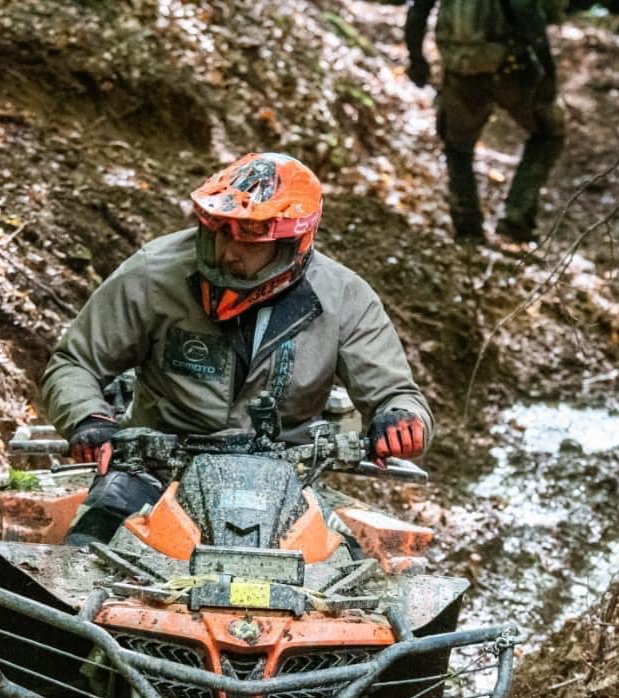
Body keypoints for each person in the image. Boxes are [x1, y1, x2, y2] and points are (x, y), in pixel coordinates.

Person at [40, 152, 434, 546]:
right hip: (154, 472)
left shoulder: (345, 297)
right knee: (86, 552)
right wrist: (88, 418)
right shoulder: (153, 274)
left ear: (291, 243)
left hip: (288, 482)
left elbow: (397, 393)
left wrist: (400, 419)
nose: (227, 251)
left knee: (352, 573)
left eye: (248, 239)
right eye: (219, 232)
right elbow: (75, 363)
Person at [405, 0, 566, 244]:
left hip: (460, 70)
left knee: (457, 146)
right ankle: (516, 220)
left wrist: (416, 58)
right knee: (551, 132)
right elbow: (527, 13)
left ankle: (467, 227)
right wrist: (548, 71)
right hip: (511, 67)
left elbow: (418, 10)